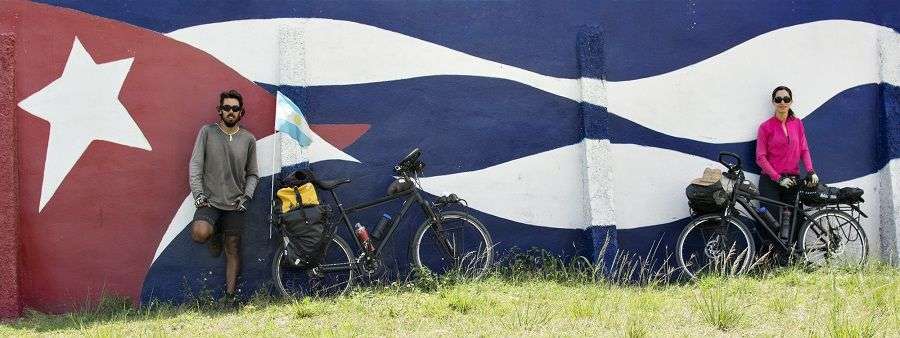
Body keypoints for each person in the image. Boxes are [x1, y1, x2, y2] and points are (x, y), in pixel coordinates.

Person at [188, 89, 258, 307]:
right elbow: (195, 165)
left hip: (235, 203)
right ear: (220, 110)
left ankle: (229, 298)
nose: (230, 111)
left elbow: (253, 173)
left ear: (241, 112)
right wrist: (198, 195)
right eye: (226, 107)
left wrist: (246, 196)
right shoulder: (207, 132)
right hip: (209, 200)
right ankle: (215, 231)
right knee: (200, 233)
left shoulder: (248, 139)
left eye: (235, 108)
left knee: (233, 248)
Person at [755, 86, 818, 238]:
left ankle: (792, 257)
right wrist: (778, 178)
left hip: (792, 180)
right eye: (778, 99)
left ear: (791, 102)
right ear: (773, 102)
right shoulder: (765, 127)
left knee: (795, 221)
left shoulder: (797, 124)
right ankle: (770, 258)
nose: (782, 102)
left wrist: (810, 170)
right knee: (770, 221)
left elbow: (804, 149)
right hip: (770, 181)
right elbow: (760, 157)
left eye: (786, 99)